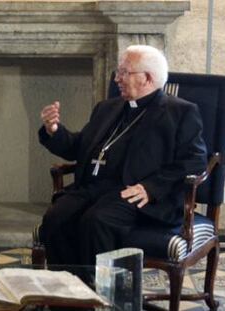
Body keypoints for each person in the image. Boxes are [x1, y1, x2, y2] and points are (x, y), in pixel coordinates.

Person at [38, 45, 207, 266]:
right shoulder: (108, 108)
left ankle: (100, 293)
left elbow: (195, 160)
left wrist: (151, 187)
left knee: (97, 221)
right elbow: (79, 147)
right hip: (94, 189)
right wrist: (54, 131)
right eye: (119, 72)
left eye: (124, 72)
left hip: (136, 194)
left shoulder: (180, 112)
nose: (117, 78)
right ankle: (67, 292)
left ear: (147, 78)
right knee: (55, 217)